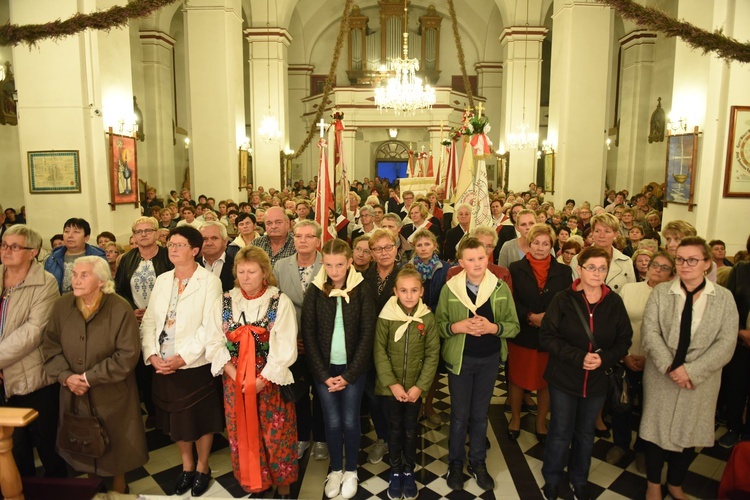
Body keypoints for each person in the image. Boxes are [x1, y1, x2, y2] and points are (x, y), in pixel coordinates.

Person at [639, 237, 738, 500]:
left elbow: (726, 343)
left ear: (706, 263)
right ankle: (653, 484)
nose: (685, 265)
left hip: (701, 380)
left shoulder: (724, 299)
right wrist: (671, 367)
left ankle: (675, 483)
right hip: (662, 375)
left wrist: (691, 372)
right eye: (680, 259)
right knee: (654, 432)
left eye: (692, 259)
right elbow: (649, 333)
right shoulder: (662, 292)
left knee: (689, 432)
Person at [42, 256, 148, 493]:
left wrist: (89, 378)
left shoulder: (120, 307)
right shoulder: (62, 306)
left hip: (112, 393)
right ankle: (96, 486)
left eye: (84, 275)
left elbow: (127, 354)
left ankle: (120, 490)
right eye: (74, 274)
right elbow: (50, 345)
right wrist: (66, 376)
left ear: (101, 280)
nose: (76, 280)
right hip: (73, 390)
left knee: (116, 442)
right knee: (84, 441)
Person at [140, 226, 231, 497]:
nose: (173, 249)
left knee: (200, 419)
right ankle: (187, 466)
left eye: (180, 245)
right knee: (177, 421)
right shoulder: (163, 280)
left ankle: (203, 467)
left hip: (194, 364)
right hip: (163, 362)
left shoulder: (208, 281)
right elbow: (149, 321)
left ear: (195, 250)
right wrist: (151, 354)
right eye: (170, 244)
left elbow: (210, 326)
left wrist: (183, 358)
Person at [539, 246, 632, 500]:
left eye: (603, 268)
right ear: (580, 269)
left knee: (585, 432)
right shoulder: (563, 299)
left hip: (597, 380)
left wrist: (603, 358)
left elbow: (625, 339)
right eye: (591, 267)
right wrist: (579, 357)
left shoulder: (613, 301)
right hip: (564, 377)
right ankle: (552, 477)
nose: (597, 272)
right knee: (560, 430)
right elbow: (547, 336)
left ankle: (579, 478)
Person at [438, 237, 520, 492]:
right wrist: (456, 326)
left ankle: (477, 463)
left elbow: (514, 326)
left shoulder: (499, 288)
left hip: (488, 359)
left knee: (480, 414)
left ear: (488, 258)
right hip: (460, 361)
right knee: (460, 415)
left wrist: (493, 327)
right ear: (461, 262)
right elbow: (439, 325)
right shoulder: (450, 288)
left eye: (481, 258)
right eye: (470, 259)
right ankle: (455, 463)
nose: (477, 263)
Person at [301, 239, 377, 499]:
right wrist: (323, 375)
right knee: (331, 421)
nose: (335, 271)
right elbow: (308, 334)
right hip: (324, 368)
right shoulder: (314, 290)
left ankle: (352, 470)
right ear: (323, 263)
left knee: (350, 420)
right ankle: (335, 469)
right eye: (329, 265)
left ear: (349, 262)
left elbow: (368, 334)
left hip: (352, 368)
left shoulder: (362, 289)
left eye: (340, 265)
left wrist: (349, 374)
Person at [221, 246, 298, 497]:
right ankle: (257, 483)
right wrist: (236, 375)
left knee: (276, 435)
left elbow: (285, 347)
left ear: (264, 272)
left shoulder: (279, 301)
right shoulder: (226, 300)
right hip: (235, 382)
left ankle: (283, 487)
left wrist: (261, 380)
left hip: (270, 382)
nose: (245, 277)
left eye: (251, 271)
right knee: (242, 434)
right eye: (241, 271)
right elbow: (213, 342)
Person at [0, 225, 67, 479]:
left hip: (33, 376)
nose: (7, 251)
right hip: (3, 380)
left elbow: (33, 331)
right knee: (12, 447)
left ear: (33, 252)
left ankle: (57, 490)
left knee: (47, 442)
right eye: (4, 245)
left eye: (15, 246)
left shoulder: (45, 282)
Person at [374, 265, 440, 500]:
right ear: (395, 291)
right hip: (390, 388)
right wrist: (392, 384)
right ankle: (395, 471)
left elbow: (433, 354)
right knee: (394, 429)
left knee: (411, 430)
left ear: (422, 291)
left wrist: (419, 387)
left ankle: (409, 470)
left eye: (414, 290)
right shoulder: (386, 316)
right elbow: (379, 351)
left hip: (414, 388)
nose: (409, 295)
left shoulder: (427, 318)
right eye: (403, 291)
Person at [606, 251, 675, 469]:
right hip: (625, 356)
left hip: (656, 363)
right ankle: (621, 443)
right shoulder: (630, 289)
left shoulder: (674, 297)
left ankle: (644, 448)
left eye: (664, 267)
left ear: (672, 274)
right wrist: (624, 355)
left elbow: (673, 334)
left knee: (649, 407)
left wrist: (651, 359)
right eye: (655, 264)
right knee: (621, 404)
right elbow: (616, 324)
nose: (657, 269)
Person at [507, 224, 573, 444]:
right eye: (536, 243)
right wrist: (529, 316)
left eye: (546, 244)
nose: (540, 247)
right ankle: (515, 419)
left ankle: (540, 422)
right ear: (529, 243)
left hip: (550, 335)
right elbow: (510, 300)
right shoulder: (515, 268)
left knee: (546, 381)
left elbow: (568, 301)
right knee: (517, 378)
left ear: (552, 246)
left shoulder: (563, 271)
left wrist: (549, 317)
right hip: (523, 332)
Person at [273, 220, 328, 461]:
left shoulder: (328, 265)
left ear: (318, 240)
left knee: (323, 392)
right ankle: (302, 436)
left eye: (309, 236)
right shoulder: (280, 265)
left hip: (322, 343)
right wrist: (290, 338)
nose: (303, 240)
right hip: (291, 342)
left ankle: (323, 439)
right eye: (298, 236)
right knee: (298, 393)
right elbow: (274, 303)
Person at [410, 228, 453, 425]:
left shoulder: (445, 269)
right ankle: (415, 406)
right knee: (415, 366)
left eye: (427, 244)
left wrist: (431, 310)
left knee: (433, 367)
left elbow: (448, 298)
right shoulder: (407, 268)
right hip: (412, 323)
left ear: (434, 246)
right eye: (419, 245)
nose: (423, 248)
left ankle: (429, 405)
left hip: (435, 322)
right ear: (414, 247)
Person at [719, 239, 750, 448]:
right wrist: (740, 330)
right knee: (735, 388)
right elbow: (727, 304)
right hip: (740, 341)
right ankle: (733, 428)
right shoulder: (740, 269)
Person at [571, 212, 635, 294]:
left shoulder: (626, 261)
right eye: (597, 231)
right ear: (592, 232)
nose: (602, 235)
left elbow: (630, 293)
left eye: (607, 231)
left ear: (615, 234)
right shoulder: (578, 259)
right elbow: (576, 291)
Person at [44, 218, 106, 293]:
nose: (70, 235)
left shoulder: (98, 258)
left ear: (86, 238)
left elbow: (106, 287)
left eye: (76, 232)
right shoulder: (52, 259)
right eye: (66, 231)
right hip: (59, 302)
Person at [199, 221, 235, 292]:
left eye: (214, 238)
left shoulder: (236, 266)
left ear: (225, 241)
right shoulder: (192, 266)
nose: (209, 243)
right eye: (204, 239)